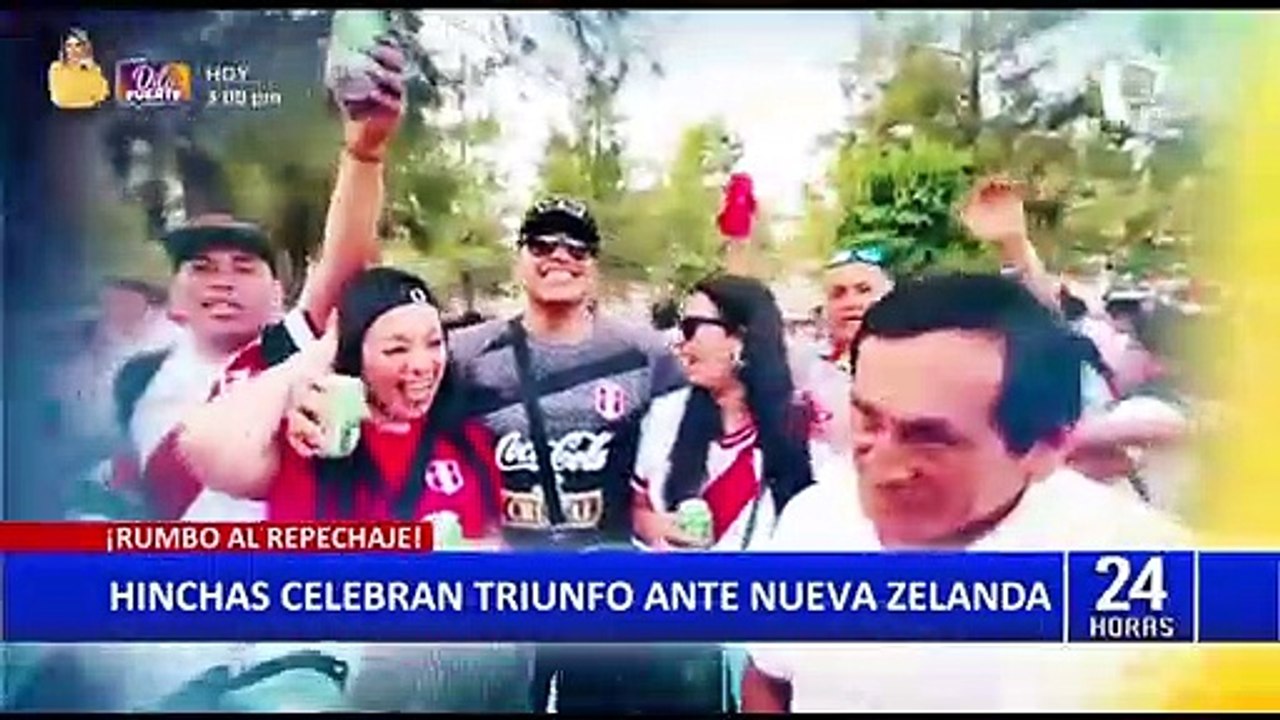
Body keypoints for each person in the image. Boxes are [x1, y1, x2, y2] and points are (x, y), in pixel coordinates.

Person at [741, 274, 1190, 712]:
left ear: (1044, 448)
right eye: (869, 421)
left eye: (928, 438)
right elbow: (768, 677)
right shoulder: (817, 519)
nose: (883, 465)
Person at [106, 38, 407, 524]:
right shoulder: (135, 379)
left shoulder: (285, 351)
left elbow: (342, 265)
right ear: (175, 295)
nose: (222, 282)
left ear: (276, 293)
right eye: (201, 267)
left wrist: (365, 152)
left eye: (244, 267)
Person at [171, 267, 502, 536]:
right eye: (396, 349)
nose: (422, 364)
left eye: (434, 343)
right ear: (353, 353)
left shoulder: (468, 440)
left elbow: (494, 542)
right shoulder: (308, 439)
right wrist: (322, 350)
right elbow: (201, 445)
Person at [633, 273, 814, 552]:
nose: (681, 344)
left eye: (691, 328)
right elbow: (636, 508)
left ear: (741, 337)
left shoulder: (806, 428)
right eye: (681, 329)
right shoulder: (665, 415)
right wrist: (658, 527)